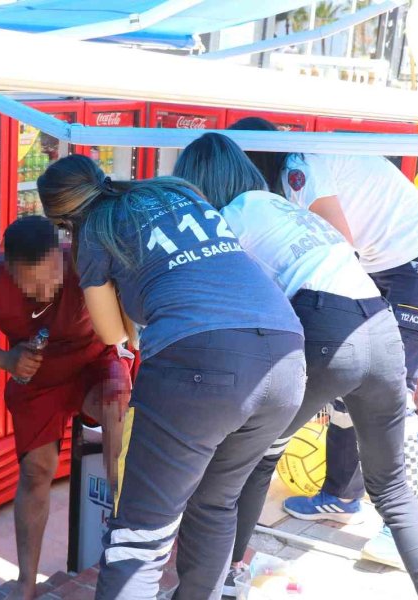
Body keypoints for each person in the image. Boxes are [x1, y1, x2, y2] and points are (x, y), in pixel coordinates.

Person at [174, 132, 418, 600]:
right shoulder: (284, 206)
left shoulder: (231, 218)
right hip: (380, 327)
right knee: (394, 495)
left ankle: (223, 583)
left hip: (333, 332)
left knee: (241, 471)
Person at [37, 154, 306, 599]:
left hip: (200, 362)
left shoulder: (96, 232)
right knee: (216, 505)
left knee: (140, 537)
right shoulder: (173, 191)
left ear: (63, 219)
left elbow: (111, 332)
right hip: (285, 356)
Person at [0, 215, 132, 600]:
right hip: (37, 379)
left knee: (117, 408)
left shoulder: (87, 262)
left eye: (51, 277)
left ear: (62, 255)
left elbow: (130, 320)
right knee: (37, 472)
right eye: (31, 283)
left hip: (93, 364)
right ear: (9, 270)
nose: (44, 290)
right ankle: (26, 581)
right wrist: (5, 360)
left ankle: (130, 537)